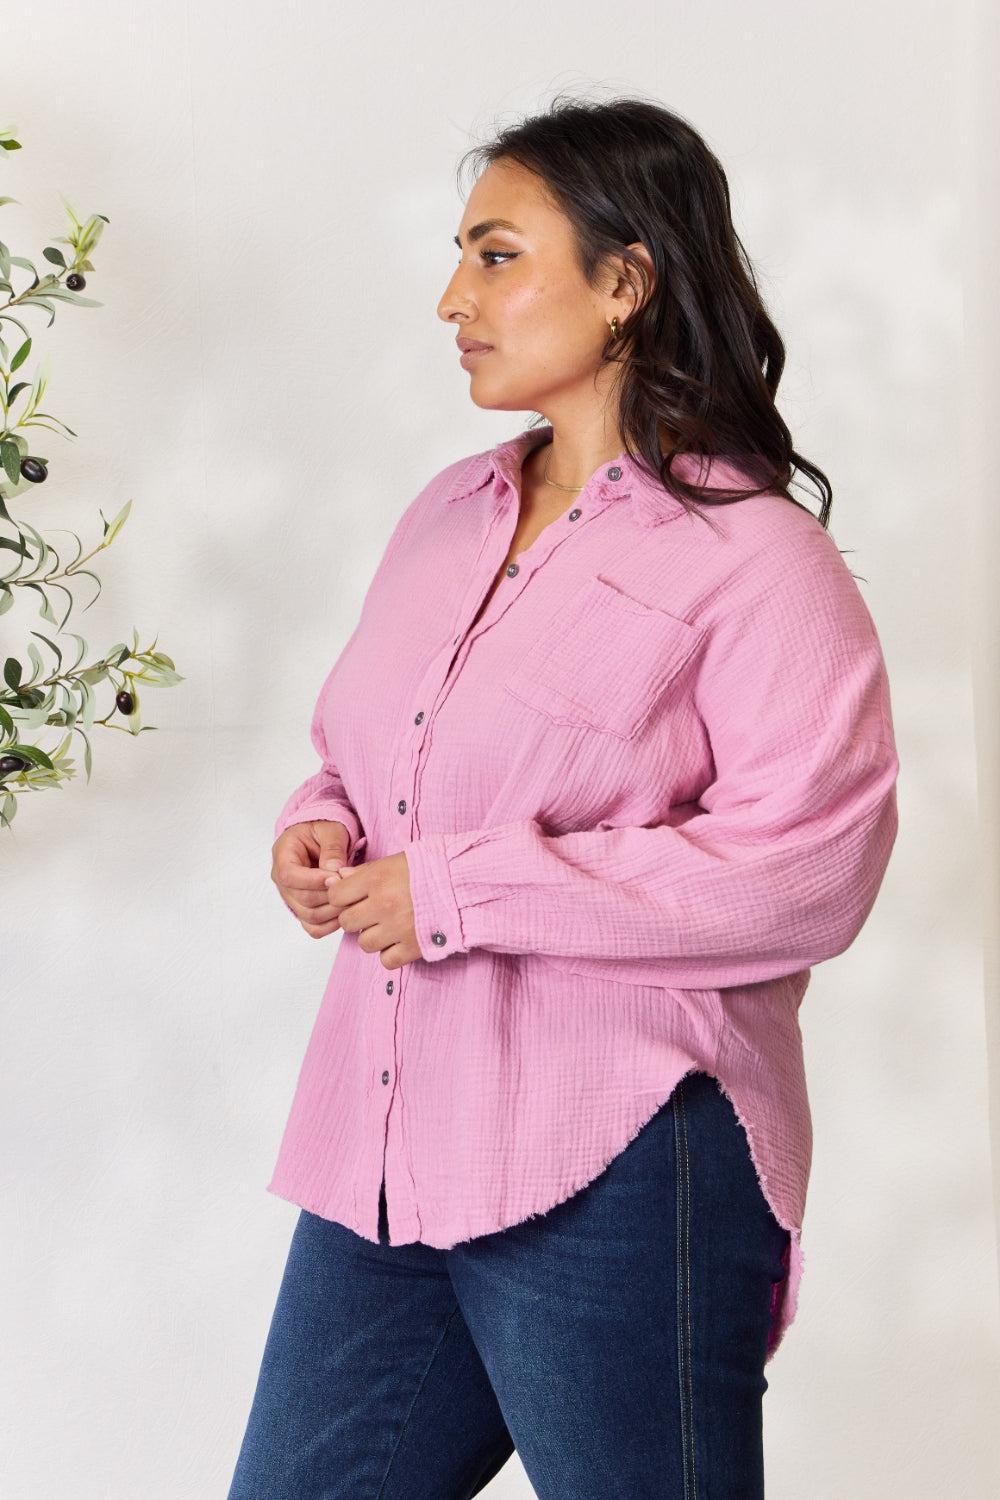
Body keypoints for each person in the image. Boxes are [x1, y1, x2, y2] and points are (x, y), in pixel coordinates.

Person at [228, 95, 900, 1499]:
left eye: (494, 257)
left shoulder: (757, 561)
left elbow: (809, 873)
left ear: (625, 281)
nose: (450, 300)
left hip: (619, 1156)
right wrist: (327, 823)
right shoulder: (448, 512)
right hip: (392, 1151)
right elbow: (373, 745)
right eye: (460, 259)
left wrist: (462, 891)